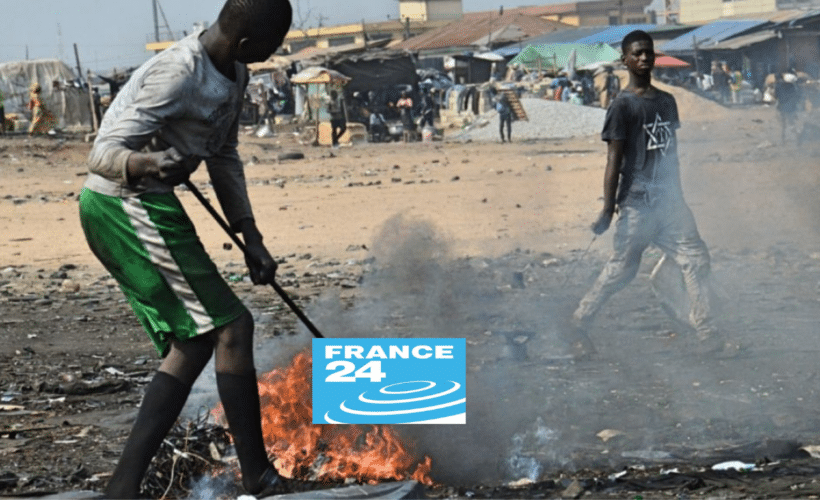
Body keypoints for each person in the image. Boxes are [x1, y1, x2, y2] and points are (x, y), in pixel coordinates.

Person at [77, 0, 293, 498]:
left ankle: (123, 486)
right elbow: (101, 154)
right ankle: (258, 476)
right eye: (271, 46)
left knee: (193, 341)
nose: (275, 53)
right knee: (234, 326)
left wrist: (250, 237)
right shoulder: (178, 73)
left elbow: (223, 156)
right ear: (243, 44)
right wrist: (148, 164)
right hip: (122, 205)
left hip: (151, 205)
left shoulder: (234, 74)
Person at [567, 30, 730, 360]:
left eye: (648, 52)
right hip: (637, 203)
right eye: (637, 53)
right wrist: (607, 209)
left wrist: (679, 196)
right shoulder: (622, 107)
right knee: (621, 271)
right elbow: (614, 159)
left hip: (670, 202)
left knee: (696, 259)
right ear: (625, 60)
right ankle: (579, 321)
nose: (644, 58)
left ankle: (705, 330)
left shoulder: (667, 102)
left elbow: (672, 152)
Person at [775, 72, 800, 145]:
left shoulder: (777, 86)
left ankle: (783, 140)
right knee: (792, 123)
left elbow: (776, 96)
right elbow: (795, 95)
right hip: (791, 107)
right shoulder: (790, 85)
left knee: (783, 125)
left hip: (782, 107)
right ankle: (797, 137)